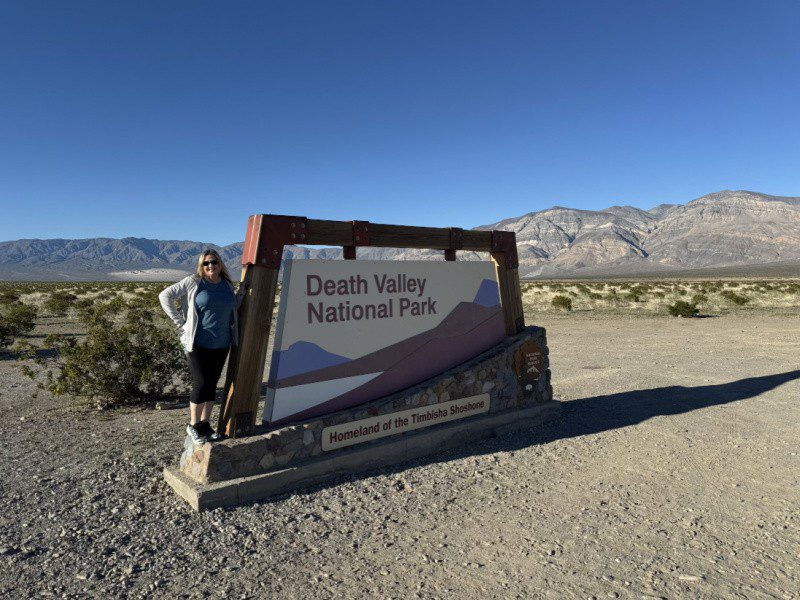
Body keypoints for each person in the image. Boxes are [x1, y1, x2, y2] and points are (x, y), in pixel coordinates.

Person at [159, 249, 240, 445]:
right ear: (201, 266)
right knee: (201, 382)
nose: (210, 266)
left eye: (213, 262)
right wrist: (181, 323)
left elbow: (232, 307)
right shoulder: (194, 282)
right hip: (197, 343)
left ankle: (205, 424)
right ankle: (193, 425)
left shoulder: (227, 286)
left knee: (212, 383)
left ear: (220, 264)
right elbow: (165, 296)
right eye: (206, 263)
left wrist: (243, 293)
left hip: (222, 343)